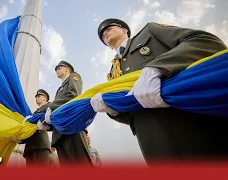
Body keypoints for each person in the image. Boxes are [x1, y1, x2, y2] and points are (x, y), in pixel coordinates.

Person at [91, 18, 228, 165]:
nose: (105, 32)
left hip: (193, 128)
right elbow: (131, 117)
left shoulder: (149, 32)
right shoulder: (113, 74)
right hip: (154, 146)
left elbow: (204, 41)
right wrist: (113, 111)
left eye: (109, 28)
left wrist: (158, 67)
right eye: (102, 35)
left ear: (125, 30)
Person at [45, 61, 93, 167]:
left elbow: (73, 95)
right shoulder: (59, 90)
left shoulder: (73, 76)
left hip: (72, 127)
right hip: (60, 132)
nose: (57, 70)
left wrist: (50, 106)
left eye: (59, 68)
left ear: (67, 69)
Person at [21, 89, 51, 167]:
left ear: (44, 98)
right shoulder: (33, 114)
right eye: (36, 97)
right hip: (30, 147)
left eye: (38, 96)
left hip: (41, 145)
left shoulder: (48, 107)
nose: (36, 98)